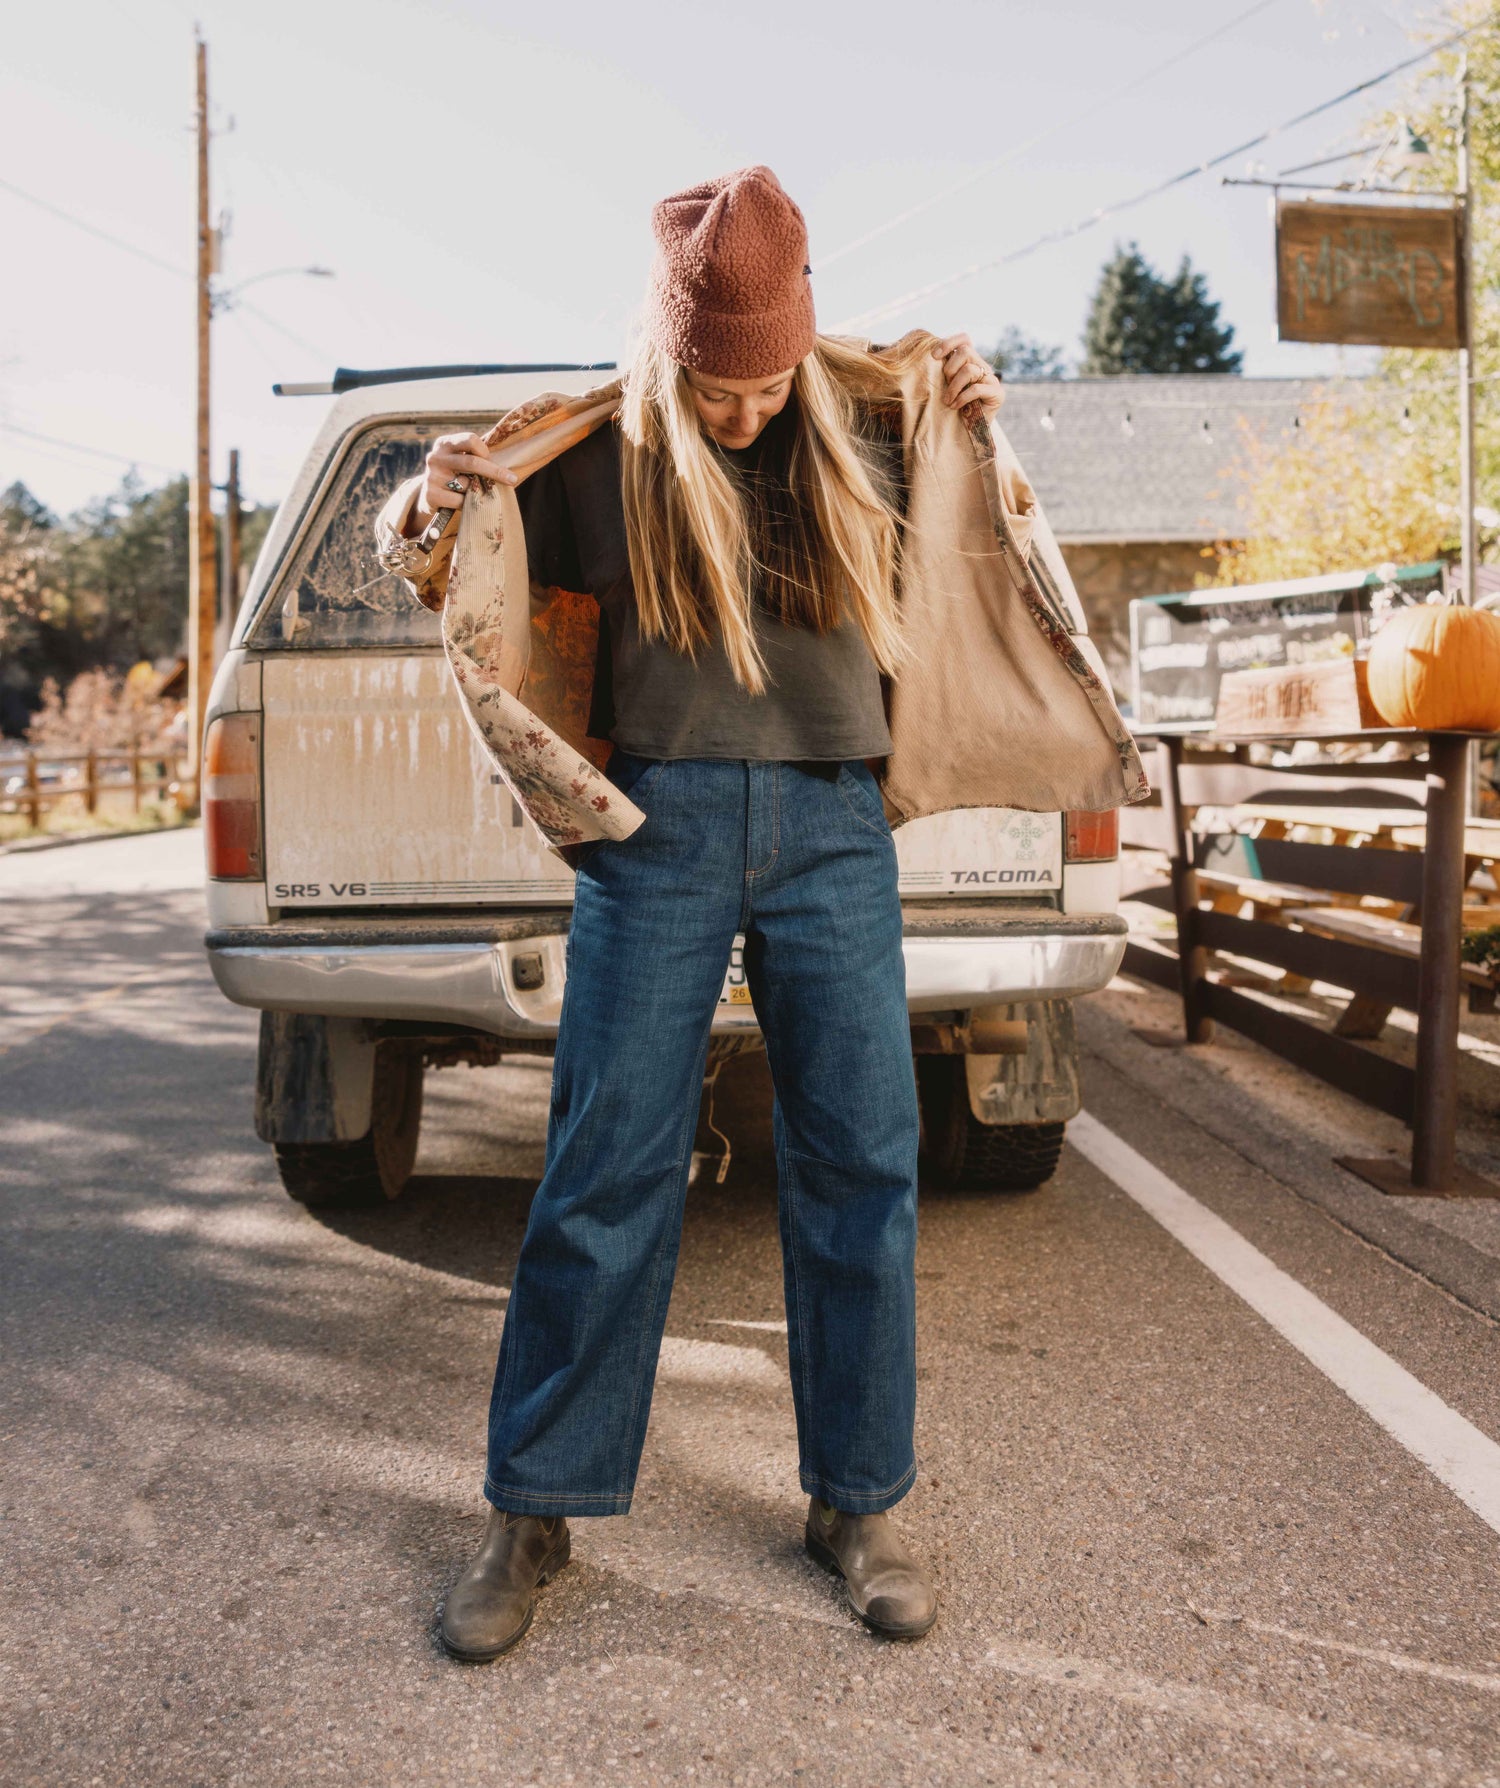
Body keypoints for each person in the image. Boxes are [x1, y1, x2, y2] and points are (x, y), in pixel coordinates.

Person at [375, 165, 1143, 1661]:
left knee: (860, 1162)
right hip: (655, 831)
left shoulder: (872, 426)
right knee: (604, 1167)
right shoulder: (600, 451)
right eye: (714, 391)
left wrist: (985, 417)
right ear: (669, 356)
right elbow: (433, 564)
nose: (741, 414)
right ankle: (535, 1507)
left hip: (832, 828)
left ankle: (858, 1503)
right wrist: (425, 500)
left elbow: (989, 519)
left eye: (766, 385)